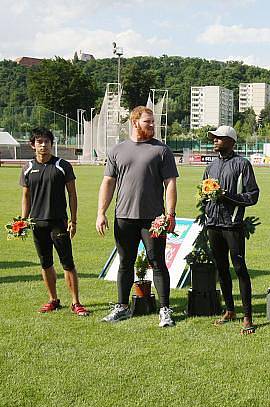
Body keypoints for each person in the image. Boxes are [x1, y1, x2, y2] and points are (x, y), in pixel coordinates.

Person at [96, 106, 179, 327]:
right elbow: (108, 183)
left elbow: (170, 183)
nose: (152, 126)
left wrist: (170, 214)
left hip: (153, 220)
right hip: (124, 216)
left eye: (153, 122)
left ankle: (165, 310)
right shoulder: (117, 150)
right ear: (134, 123)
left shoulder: (162, 150)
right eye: (147, 122)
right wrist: (100, 213)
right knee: (125, 263)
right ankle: (122, 308)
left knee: (157, 262)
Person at [20, 127, 88, 316]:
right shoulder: (27, 168)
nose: (44, 145)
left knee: (67, 262)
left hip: (59, 223)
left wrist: (73, 220)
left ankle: (76, 303)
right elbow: (26, 196)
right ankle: (53, 300)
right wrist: (23, 220)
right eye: (39, 142)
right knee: (45, 263)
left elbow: (72, 194)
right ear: (33, 145)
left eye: (47, 142)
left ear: (52, 144)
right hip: (37, 223)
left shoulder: (62, 165)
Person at [203, 126, 260, 335]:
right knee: (221, 268)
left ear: (231, 141)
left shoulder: (242, 164)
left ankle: (247, 316)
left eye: (219, 138)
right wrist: (207, 203)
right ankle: (229, 310)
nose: (215, 140)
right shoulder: (211, 166)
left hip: (233, 224)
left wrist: (227, 196)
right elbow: (204, 191)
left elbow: (253, 195)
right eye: (214, 138)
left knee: (239, 269)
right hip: (213, 224)